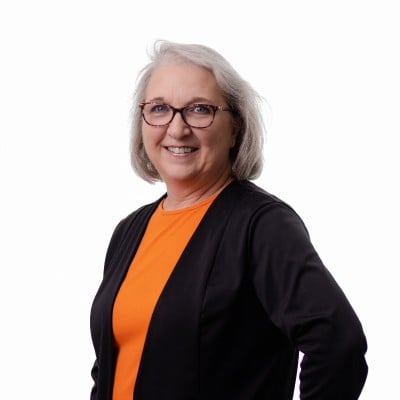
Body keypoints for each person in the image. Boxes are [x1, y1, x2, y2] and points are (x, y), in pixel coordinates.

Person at [90, 40, 368, 400]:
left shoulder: (262, 226)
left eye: (199, 109)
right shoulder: (129, 230)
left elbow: (338, 345)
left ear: (235, 127)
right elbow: (110, 367)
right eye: (159, 108)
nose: (177, 128)